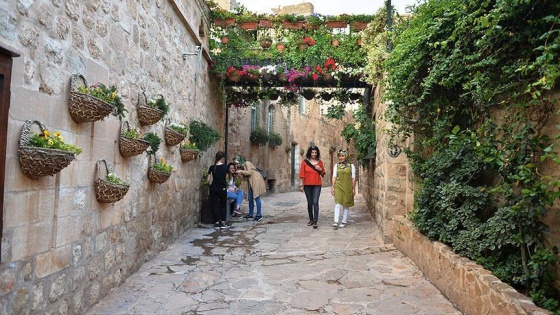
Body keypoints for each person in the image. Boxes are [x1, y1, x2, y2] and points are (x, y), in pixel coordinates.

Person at [298, 145, 326, 228]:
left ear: (317, 153)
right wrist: (301, 185)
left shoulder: (320, 162)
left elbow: (323, 173)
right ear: (310, 152)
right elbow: (301, 174)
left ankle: (315, 221)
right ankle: (311, 219)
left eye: (315, 152)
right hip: (307, 185)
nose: (314, 154)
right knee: (309, 203)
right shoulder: (305, 162)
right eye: (312, 152)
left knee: (315, 202)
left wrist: (320, 169)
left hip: (317, 185)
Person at [233, 155, 266, 222]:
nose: (237, 164)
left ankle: (259, 215)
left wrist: (240, 171)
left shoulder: (247, 163)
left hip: (256, 180)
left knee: (257, 197)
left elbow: (249, 172)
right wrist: (239, 174)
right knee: (250, 198)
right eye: (235, 164)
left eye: (237, 163)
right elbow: (244, 179)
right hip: (250, 182)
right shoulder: (242, 167)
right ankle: (250, 214)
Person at [331, 149, 356, 228]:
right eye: (340, 156)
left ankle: (344, 221)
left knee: (346, 204)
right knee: (337, 203)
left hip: (347, 187)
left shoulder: (351, 166)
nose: (341, 158)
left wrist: (353, 188)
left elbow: (353, 178)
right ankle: (335, 221)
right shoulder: (337, 166)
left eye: (342, 156)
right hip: (338, 186)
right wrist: (332, 187)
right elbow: (334, 176)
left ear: (346, 156)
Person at [207, 151, 229, 229]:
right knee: (223, 205)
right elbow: (226, 178)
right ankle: (223, 222)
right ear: (222, 158)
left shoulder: (212, 167)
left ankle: (216, 222)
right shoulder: (225, 167)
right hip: (222, 188)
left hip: (213, 188)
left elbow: (208, 179)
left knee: (214, 205)